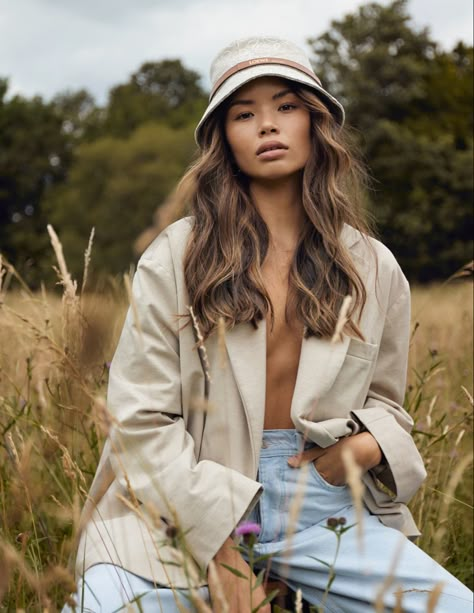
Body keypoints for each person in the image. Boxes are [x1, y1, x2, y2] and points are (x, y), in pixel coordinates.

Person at [65, 36, 473, 612]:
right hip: (184, 505)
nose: (267, 125)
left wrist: (360, 450)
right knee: (104, 608)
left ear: (316, 121)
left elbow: (387, 404)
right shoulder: (176, 257)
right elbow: (139, 422)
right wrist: (221, 548)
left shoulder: (373, 268)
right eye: (243, 114)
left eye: (286, 106)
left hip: (323, 507)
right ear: (223, 139)